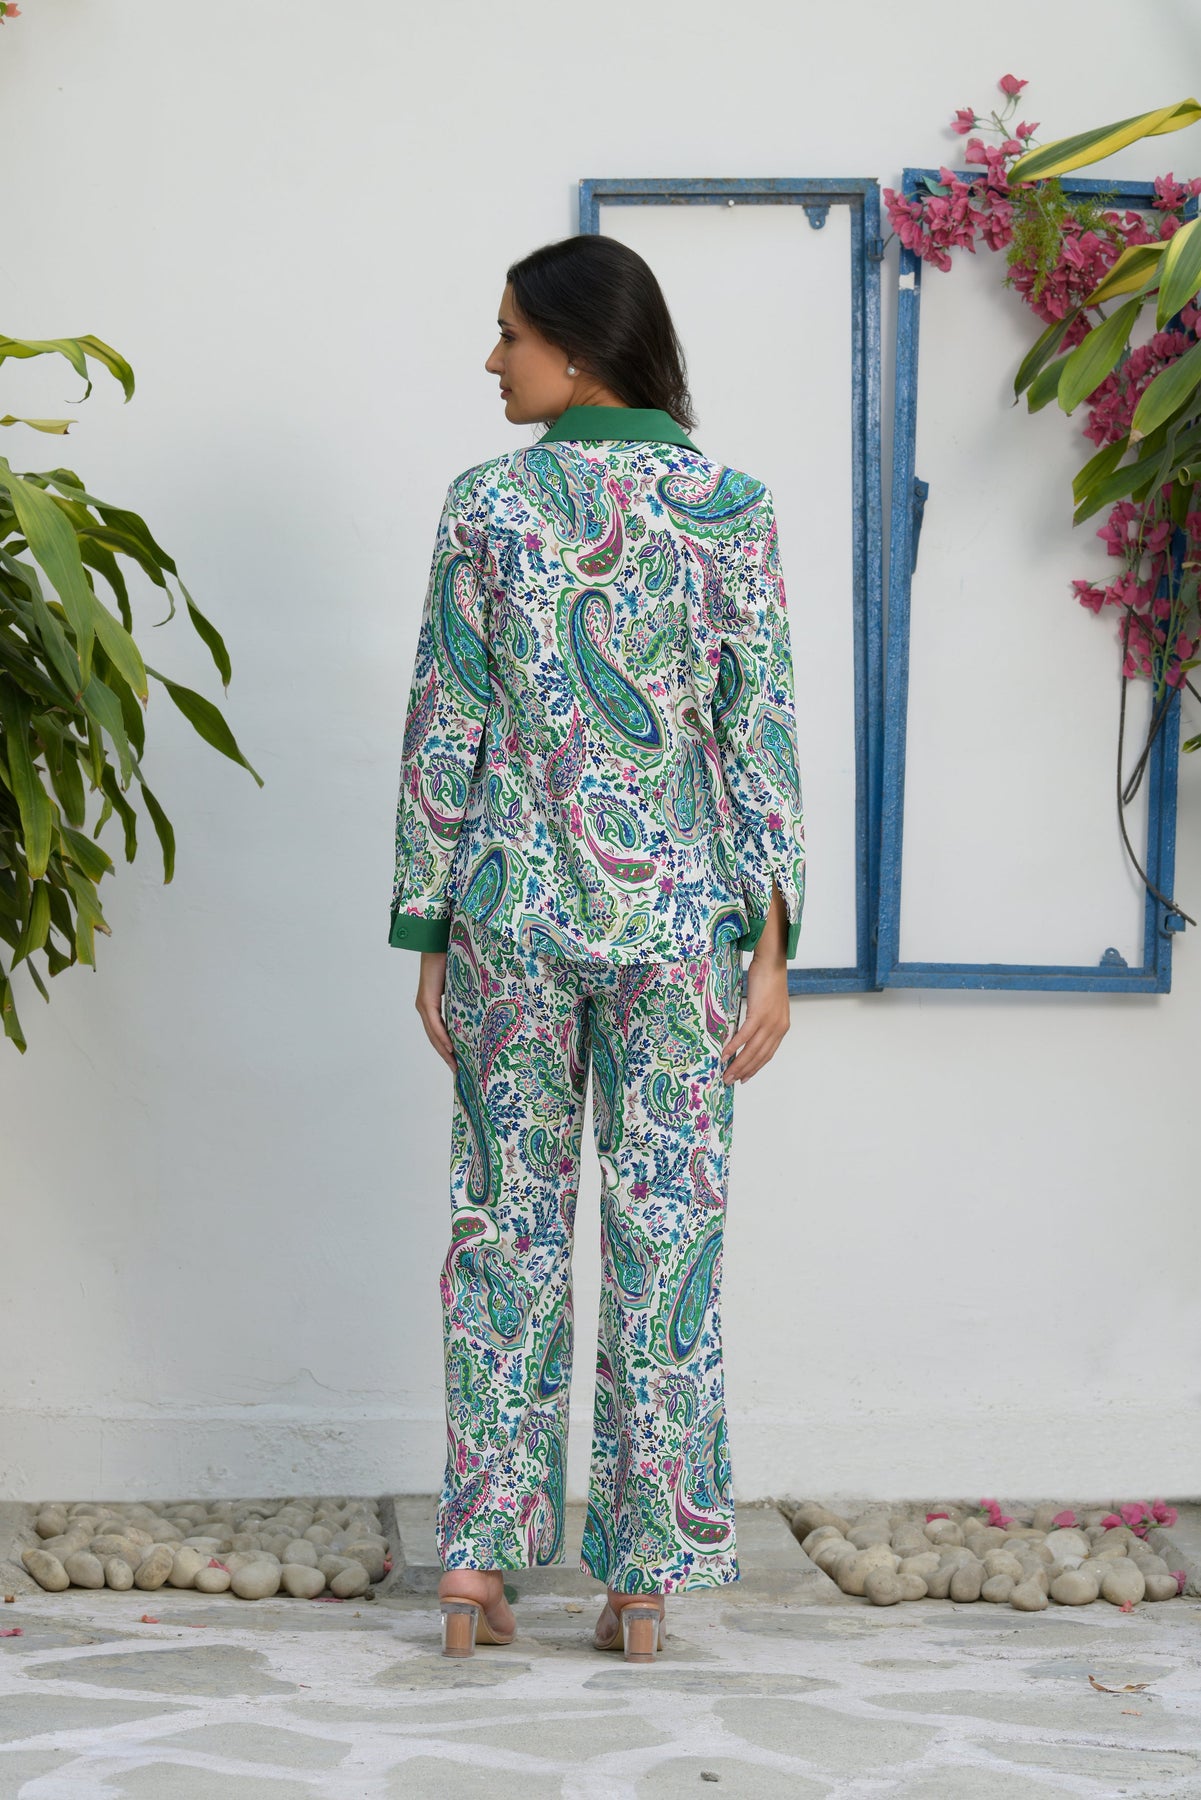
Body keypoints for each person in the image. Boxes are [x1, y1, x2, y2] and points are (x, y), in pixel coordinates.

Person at [389, 233, 805, 1662]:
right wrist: (769, 951)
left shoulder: (485, 505)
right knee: (667, 1237)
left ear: (576, 350)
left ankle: (476, 1563)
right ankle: (644, 1579)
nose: (491, 359)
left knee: (501, 1232)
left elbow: (446, 721)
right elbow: (756, 739)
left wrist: (429, 927)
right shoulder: (731, 509)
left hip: (510, 915)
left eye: (508, 333)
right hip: (681, 927)